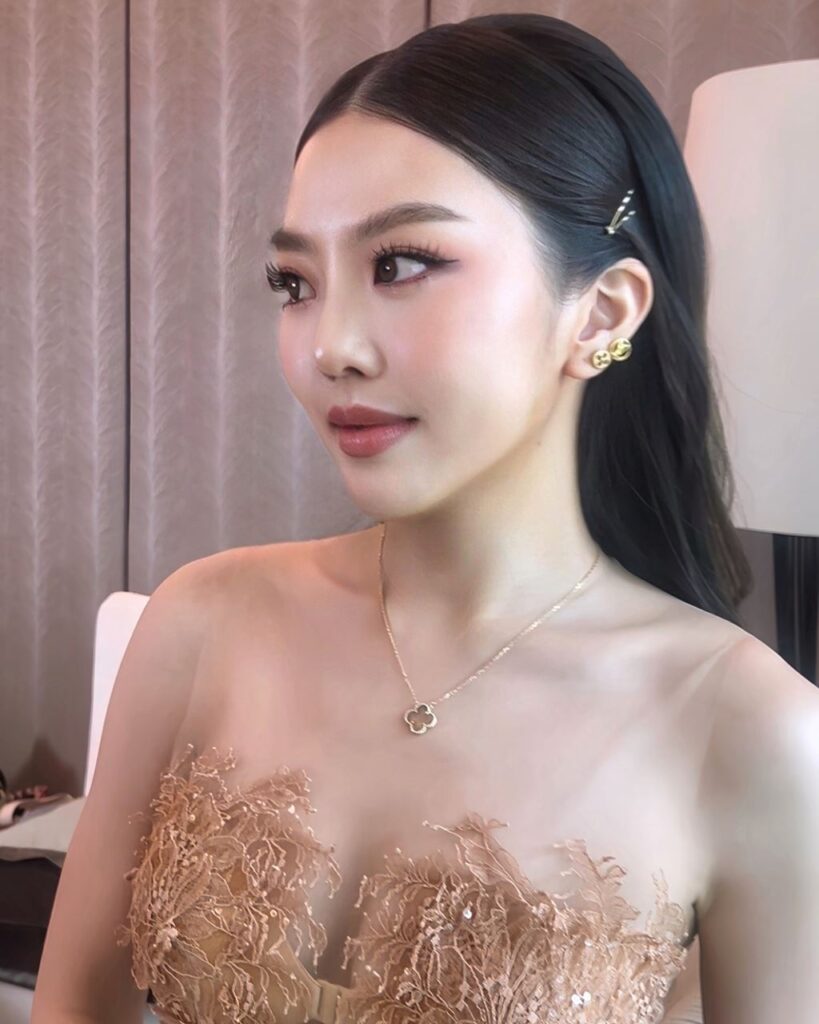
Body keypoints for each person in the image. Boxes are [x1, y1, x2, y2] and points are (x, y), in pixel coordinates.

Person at [32, 13, 819, 1024]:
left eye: (400, 264)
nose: (331, 347)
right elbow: (72, 1007)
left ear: (603, 312)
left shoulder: (751, 731)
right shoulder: (202, 620)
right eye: (295, 283)